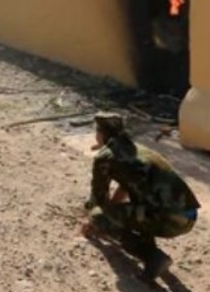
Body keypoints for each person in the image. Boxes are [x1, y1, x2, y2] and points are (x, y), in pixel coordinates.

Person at [81, 112, 200, 282]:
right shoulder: (137, 150)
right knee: (134, 210)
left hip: (168, 219)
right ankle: (152, 260)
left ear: (100, 134)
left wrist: (94, 219)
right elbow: (126, 187)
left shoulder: (105, 157)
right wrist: (112, 212)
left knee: (99, 216)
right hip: (188, 215)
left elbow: (98, 199)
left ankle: (152, 257)